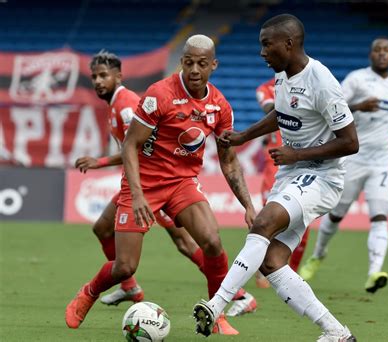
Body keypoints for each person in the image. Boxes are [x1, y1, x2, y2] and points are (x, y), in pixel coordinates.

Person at [65, 36, 257, 335]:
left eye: (202, 64)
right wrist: (138, 195)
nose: (195, 69)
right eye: (189, 62)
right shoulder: (159, 95)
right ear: (182, 62)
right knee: (125, 267)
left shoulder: (219, 106)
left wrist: (248, 205)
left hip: (181, 182)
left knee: (212, 242)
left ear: (213, 66)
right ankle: (89, 292)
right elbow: (131, 145)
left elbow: (229, 161)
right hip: (144, 182)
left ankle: (216, 313)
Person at [193, 14, 358, 341]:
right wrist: (244, 136)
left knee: (263, 223)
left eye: (267, 45)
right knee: (272, 261)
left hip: (322, 176)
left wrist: (297, 154)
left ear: (289, 43)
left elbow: (350, 142)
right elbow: (281, 115)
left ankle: (217, 304)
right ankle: (336, 333)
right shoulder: (284, 76)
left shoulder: (321, 81)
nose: (262, 53)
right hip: (293, 173)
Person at [74, 50, 205, 306]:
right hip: (141, 183)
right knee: (102, 228)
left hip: (155, 183)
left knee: (185, 242)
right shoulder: (115, 104)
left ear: (118, 76)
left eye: (103, 75)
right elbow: (129, 149)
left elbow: (138, 148)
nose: (98, 81)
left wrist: (99, 162)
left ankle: (238, 294)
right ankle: (129, 287)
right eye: (94, 77)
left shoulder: (126, 105)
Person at [299, 38, 388, 294]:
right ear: (370, 54)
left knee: (380, 216)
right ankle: (318, 255)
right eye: (377, 50)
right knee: (336, 214)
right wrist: (359, 106)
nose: (382, 54)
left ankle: (374, 271)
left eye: (387, 50)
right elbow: (333, 106)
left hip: (385, 162)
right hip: (354, 157)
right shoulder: (356, 79)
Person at [254, 78, 310, 289]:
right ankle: (262, 270)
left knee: (303, 221)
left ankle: (290, 272)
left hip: (300, 160)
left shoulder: (308, 83)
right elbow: (271, 109)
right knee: (269, 218)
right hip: (275, 163)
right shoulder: (265, 88)